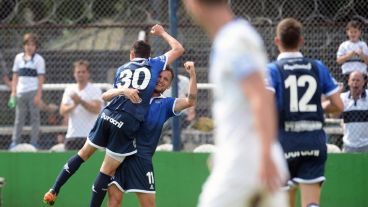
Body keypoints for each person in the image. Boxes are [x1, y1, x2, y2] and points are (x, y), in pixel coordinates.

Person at [43, 24, 184, 207]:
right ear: (148, 56)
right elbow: (179, 49)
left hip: (107, 115)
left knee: (82, 154)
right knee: (106, 172)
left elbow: (106, 96)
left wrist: (123, 90)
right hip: (126, 122)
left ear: (131, 55)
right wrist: (162, 32)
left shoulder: (122, 69)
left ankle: (54, 189)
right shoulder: (155, 64)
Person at [183, 1, 289, 207]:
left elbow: (260, 96)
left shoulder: (232, 40)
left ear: (195, 5)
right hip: (249, 159)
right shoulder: (234, 37)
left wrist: (263, 156)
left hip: (245, 163)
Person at [266, 18, 344, 207]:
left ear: (277, 41)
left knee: (285, 202)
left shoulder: (273, 70)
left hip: (284, 142)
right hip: (314, 141)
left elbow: (265, 108)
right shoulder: (317, 67)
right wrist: (321, 107)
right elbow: (338, 106)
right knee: (311, 203)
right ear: (301, 40)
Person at [106, 62, 197, 207]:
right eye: (159, 76)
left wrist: (192, 73)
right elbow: (106, 98)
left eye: (166, 79)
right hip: (119, 156)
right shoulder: (133, 94)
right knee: (114, 202)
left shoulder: (166, 104)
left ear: (168, 86)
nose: (161, 80)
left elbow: (190, 101)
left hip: (142, 160)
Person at [9, 33, 45, 149]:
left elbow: (40, 78)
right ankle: (15, 142)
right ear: (24, 45)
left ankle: (34, 142)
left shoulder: (39, 60)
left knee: (35, 118)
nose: (30, 47)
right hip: (20, 93)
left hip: (33, 92)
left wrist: (38, 95)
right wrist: (13, 92)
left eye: (32, 45)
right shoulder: (18, 58)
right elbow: (15, 76)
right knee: (19, 118)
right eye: (27, 44)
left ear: (36, 46)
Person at [60, 60, 103, 150]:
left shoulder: (95, 89)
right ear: (74, 74)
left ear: (88, 74)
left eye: (83, 72)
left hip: (90, 136)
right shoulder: (70, 90)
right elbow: (62, 111)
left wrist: (81, 101)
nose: (80, 74)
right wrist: (74, 104)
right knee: (70, 163)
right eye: (78, 72)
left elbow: (96, 109)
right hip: (72, 135)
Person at [324, 71, 368, 152]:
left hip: (366, 145)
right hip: (348, 145)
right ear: (348, 82)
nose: (355, 83)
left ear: (363, 82)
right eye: (353, 80)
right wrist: (337, 94)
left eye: (358, 80)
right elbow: (334, 116)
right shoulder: (343, 97)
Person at [337, 20, 368, 86]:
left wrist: (362, 55)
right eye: (351, 32)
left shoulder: (363, 45)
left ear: (359, 33)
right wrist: (349, 55)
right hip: (347, 75)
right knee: (347, 94)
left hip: (361, 74)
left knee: (362, 94)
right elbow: (339, 61)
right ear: (347, 33)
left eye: (355, 32)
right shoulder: (344, 45)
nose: (353, 34)